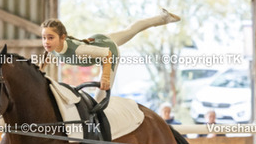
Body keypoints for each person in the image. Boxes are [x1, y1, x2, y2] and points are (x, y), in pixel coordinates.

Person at [40, 9, 180, 102]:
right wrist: (40, 69)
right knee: (130, 30)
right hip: (99, 39)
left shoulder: (78, 50)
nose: (46, 42)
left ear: (62, 37)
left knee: (98, 101)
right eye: (44, 38)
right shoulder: (52, 47)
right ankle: (163, 17)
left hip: (108, 52)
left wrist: (105, 77)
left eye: (50, 38)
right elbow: (46, 57)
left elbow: (107, 54)